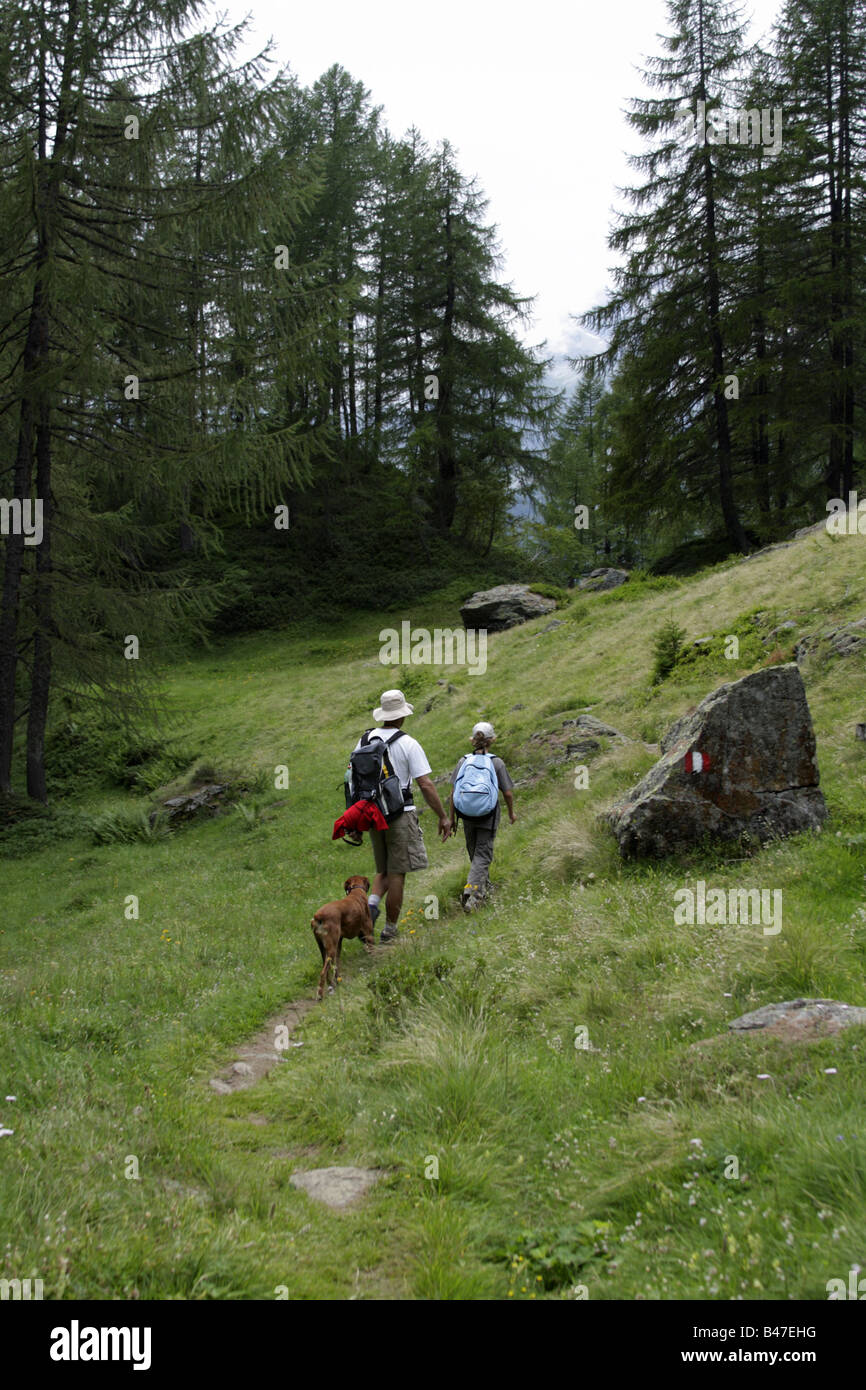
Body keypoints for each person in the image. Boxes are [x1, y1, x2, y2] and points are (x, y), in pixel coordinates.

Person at [355, 689, 451, 943]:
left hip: (374, 815)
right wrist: (442, 816)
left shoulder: (364, 740)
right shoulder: (408, 743)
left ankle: (372, 906)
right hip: (400, 815)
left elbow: (353, 779)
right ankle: (390, 929)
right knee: (397, 873)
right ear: (402, 716)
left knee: (383, 869)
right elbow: (426, 784)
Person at [449, 721, 515, 911]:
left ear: (473, 740)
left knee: (474, 852)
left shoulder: (463, 761)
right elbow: (508, 793)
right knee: (483, 855)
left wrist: (452, 819)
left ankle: (483, 887)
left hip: (467, 815)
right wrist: (511, 813)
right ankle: (473, 895)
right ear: (491, 740)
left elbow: (453, 792)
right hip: (488, 814)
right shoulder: (496, 762)